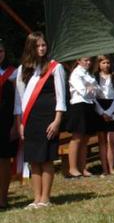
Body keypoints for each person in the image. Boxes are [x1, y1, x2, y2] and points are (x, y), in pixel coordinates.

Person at [13, 31, 66, 209]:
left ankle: (46, 198)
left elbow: (61, 97)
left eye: (43, 45)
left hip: (48, 119)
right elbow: (18, 100)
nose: (41, 48)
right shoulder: (23, 69)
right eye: (37, 46)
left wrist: (57, 120)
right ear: (31, 48)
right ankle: (36, 199)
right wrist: (20, 123)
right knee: (33, 159)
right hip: (30, 120)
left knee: (46, 159)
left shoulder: (55, 67)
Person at [65, 55, 99, 177]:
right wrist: (91, 88)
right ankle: (73, 168)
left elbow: (97, 90)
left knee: (85, 139)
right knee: (77, 138)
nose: (88, 62)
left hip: (89, 105)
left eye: (90, 60)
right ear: (78, 60)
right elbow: (83, 91)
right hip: (79, 106)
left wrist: (91, 88)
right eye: (85, 60)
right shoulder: (76, 74)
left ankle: (82, 167)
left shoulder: (89, 74)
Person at [92, 55, 114, 176]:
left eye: (108, 62)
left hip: (112, 106)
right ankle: (104, 168)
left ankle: (112, 167)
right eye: (103, 63)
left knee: (112, 139)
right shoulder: (94, 78)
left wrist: (110, 112)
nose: (106, 65)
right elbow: (93, 97)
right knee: (102, 140)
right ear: (99, 64)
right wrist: (102, 112)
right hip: (100, 105)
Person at [1, 39, 18, 210]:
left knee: (4, 160)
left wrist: (15, 124)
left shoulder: (12, 73)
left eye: (1, 51)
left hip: (5, 123)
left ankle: (3, 198)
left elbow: (17, 102)